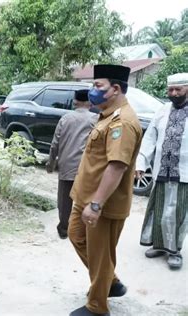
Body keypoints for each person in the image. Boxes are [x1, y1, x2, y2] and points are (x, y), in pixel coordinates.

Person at [67, 65, 143, 316]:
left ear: (116, 89)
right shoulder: (107, 116)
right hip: (85, 197)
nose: (93, 91)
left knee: (100, 254)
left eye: (98, 86)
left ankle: (98, 306)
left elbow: (117, 166)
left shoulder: (123, 122)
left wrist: (97, 204)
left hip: (103, 203)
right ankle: (110, 282)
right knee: (76, 235)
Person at [136, 72, 188, 270]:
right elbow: (149, 137)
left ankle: (174, 251)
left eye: (178, 89)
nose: (174, 93)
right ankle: (159, 245)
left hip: (183, 173)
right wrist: (141, 163)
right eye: (171, 90)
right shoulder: (162, 111)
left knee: (176, 214)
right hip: (161, 171)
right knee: (158, 211)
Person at [46, 89, 97, 239]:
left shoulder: (65, 119)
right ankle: (82, 230)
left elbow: (55, 143)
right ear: (90, 102)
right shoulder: (96, 119)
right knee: (85, 199)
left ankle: (63, 229)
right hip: (86, 167)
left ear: (75, 102)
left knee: (64, 200)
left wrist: (51, 163)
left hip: (66, 164)